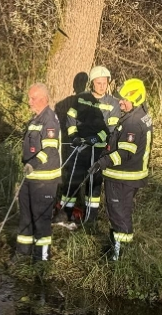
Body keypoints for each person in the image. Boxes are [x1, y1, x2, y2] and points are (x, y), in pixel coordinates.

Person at [86, 78, 152, 261]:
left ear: (136, 100)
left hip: (123, 176)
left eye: (124, 100)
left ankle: (118, 257)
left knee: (118, 213)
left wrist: (102, 162)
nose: (120, 102)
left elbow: (124, 152)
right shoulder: (140, 114)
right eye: (120, 98)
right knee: (119, 211)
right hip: (130, 175)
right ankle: (116, 247)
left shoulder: (132, 123)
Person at [58, 65, 121, 223]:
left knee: (94, 183)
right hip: (79, 147)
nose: (102, 86)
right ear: (92, 83)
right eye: (98, 83)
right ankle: (65, 212)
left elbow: (111, 128)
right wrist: (74, 136)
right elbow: (71, 117)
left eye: (104, 83)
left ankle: (90, 218)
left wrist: (96, 138)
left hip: (98, 150)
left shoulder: (113, 103)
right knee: (73, 178)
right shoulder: (81, 98)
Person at [16, 83, 62, 261]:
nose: (29, 102)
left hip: (44, 180)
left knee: (41, 219)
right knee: (25, 216)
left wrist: (33, 164)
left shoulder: (49, 120)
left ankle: (42, 259)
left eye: (32, 98)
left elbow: (50, 150)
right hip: (30, 177)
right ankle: (22, 254)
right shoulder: (35, 119)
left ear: (43, 99)